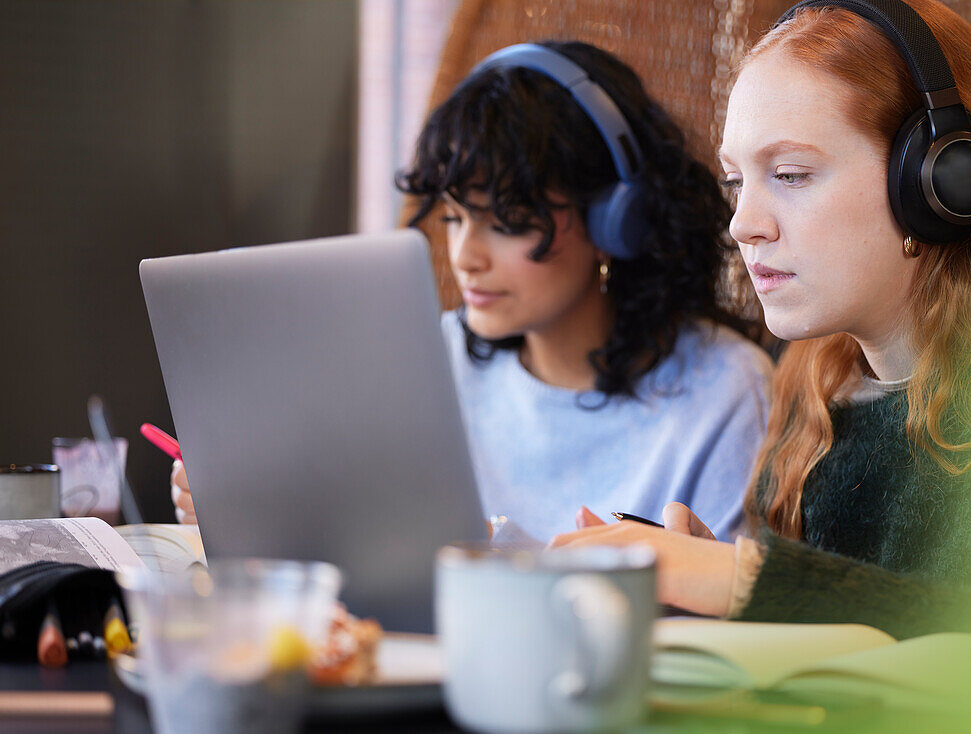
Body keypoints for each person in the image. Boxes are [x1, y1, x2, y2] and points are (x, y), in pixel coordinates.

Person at [552, 0, 971, 643]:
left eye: (790, 175)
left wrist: (754, 584)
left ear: (940, 181)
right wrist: (721, 602)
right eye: (737, 182)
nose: (743, 224)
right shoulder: (817, 378)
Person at [172, 41, 774, 543]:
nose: (464, 257)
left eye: (505, 222)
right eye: (456, 218)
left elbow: (734, 628)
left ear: (616, 219)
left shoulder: (724, 393)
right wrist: (248, 517)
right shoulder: (436, 358)